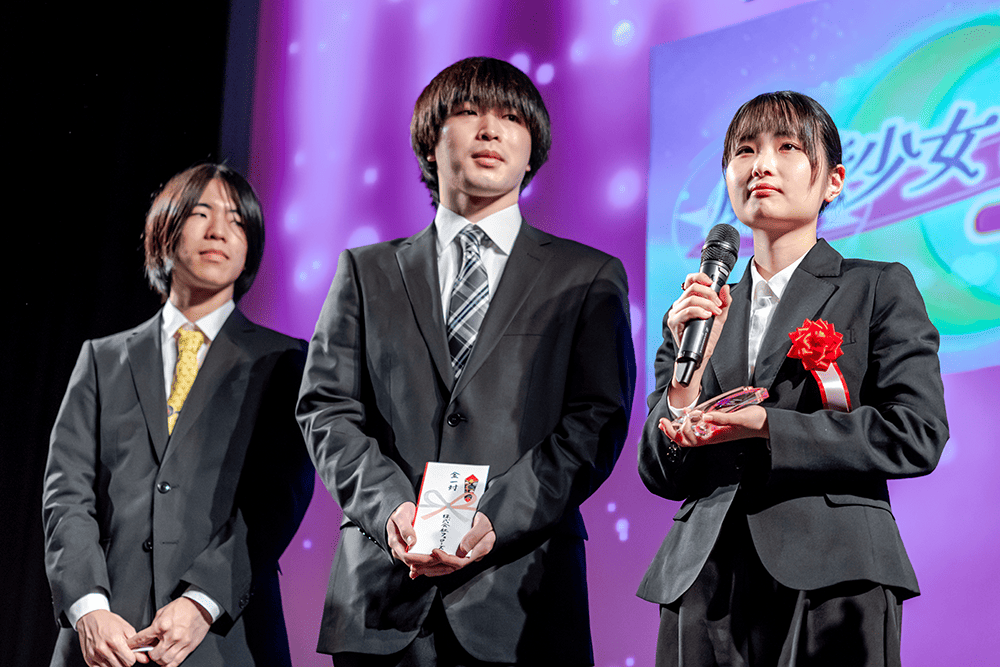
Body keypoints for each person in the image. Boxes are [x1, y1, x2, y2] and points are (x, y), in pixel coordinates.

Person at [297, 56, 636, 666]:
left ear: (532, 154)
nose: (490, 129)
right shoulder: (366, 272)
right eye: (469, 111)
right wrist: (392, 510)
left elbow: (596, 421)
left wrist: (492, 518)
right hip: (382, 595)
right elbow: (327, 408)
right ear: (431, 143)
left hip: (524, 592)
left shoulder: (587, 276)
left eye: (511, 118)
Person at [637, 91, 949, 666]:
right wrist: (685, 385)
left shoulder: (875, 286)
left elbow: (916, 433)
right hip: (703, 580)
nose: (761, 164)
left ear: (833, 181)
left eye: (786, 147)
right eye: (745, 150)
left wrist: (768, 426)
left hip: (835, 574)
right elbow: (660, 472)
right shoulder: (698, 309)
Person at [42, 163, 314, 667]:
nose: (218, 231)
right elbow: (67, 494)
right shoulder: (102, 359)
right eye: (200, 213)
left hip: (227, 637)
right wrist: (88, 608)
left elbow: (279, 497)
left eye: (237, 221)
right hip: (106, 637)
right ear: (165, 229)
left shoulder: (285, 361)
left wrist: (201, 601)